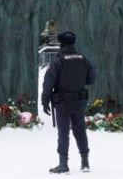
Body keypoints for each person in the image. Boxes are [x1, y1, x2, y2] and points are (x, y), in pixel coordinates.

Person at [41, 31, 96, 174]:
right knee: (80, 131)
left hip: (62, 102)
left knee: (63, 132)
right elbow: (91, 79)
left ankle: (63, 164)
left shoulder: (58, 61)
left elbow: (48, 82)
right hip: (78, 101)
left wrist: (45, 100)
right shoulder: (83, 59)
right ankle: (85, 163)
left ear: (62, 44)